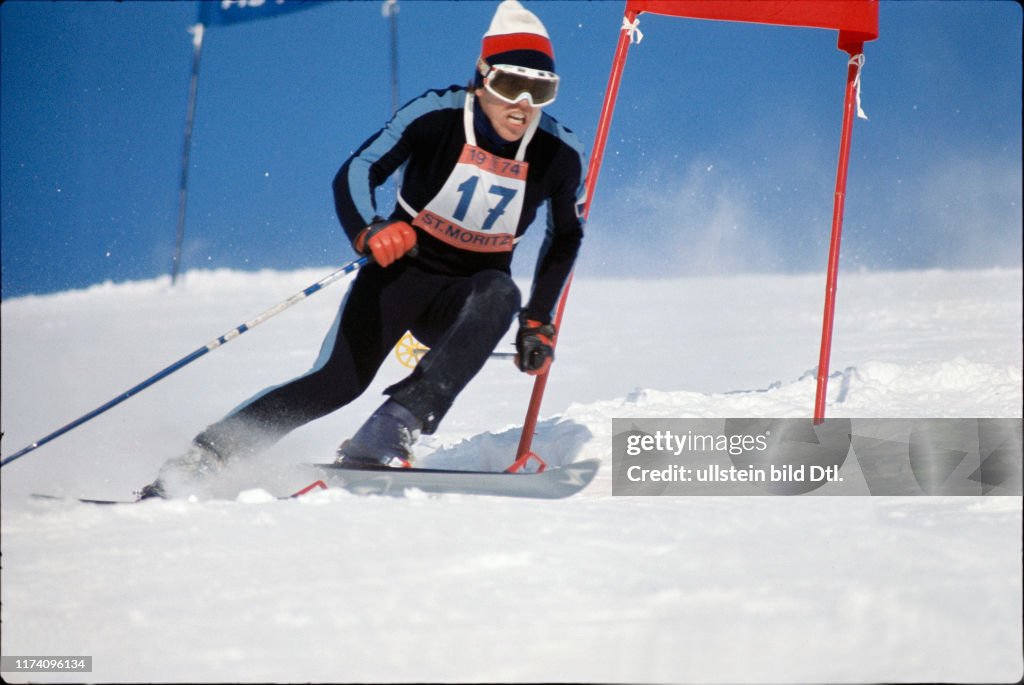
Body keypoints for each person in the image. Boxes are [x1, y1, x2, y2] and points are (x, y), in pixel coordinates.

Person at [140, 0, 585, 498]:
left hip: (467, 298)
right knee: (336, 383)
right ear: (481, 79)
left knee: (500, 294)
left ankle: (387, 431)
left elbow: (566, 234)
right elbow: (358, 168)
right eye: (509, 85)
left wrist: (537, 318)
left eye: (541, 90)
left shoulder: (559, 153)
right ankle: (204, 459)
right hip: (400, 274)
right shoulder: (436, 115)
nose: (522, 104)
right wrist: (370, 230)